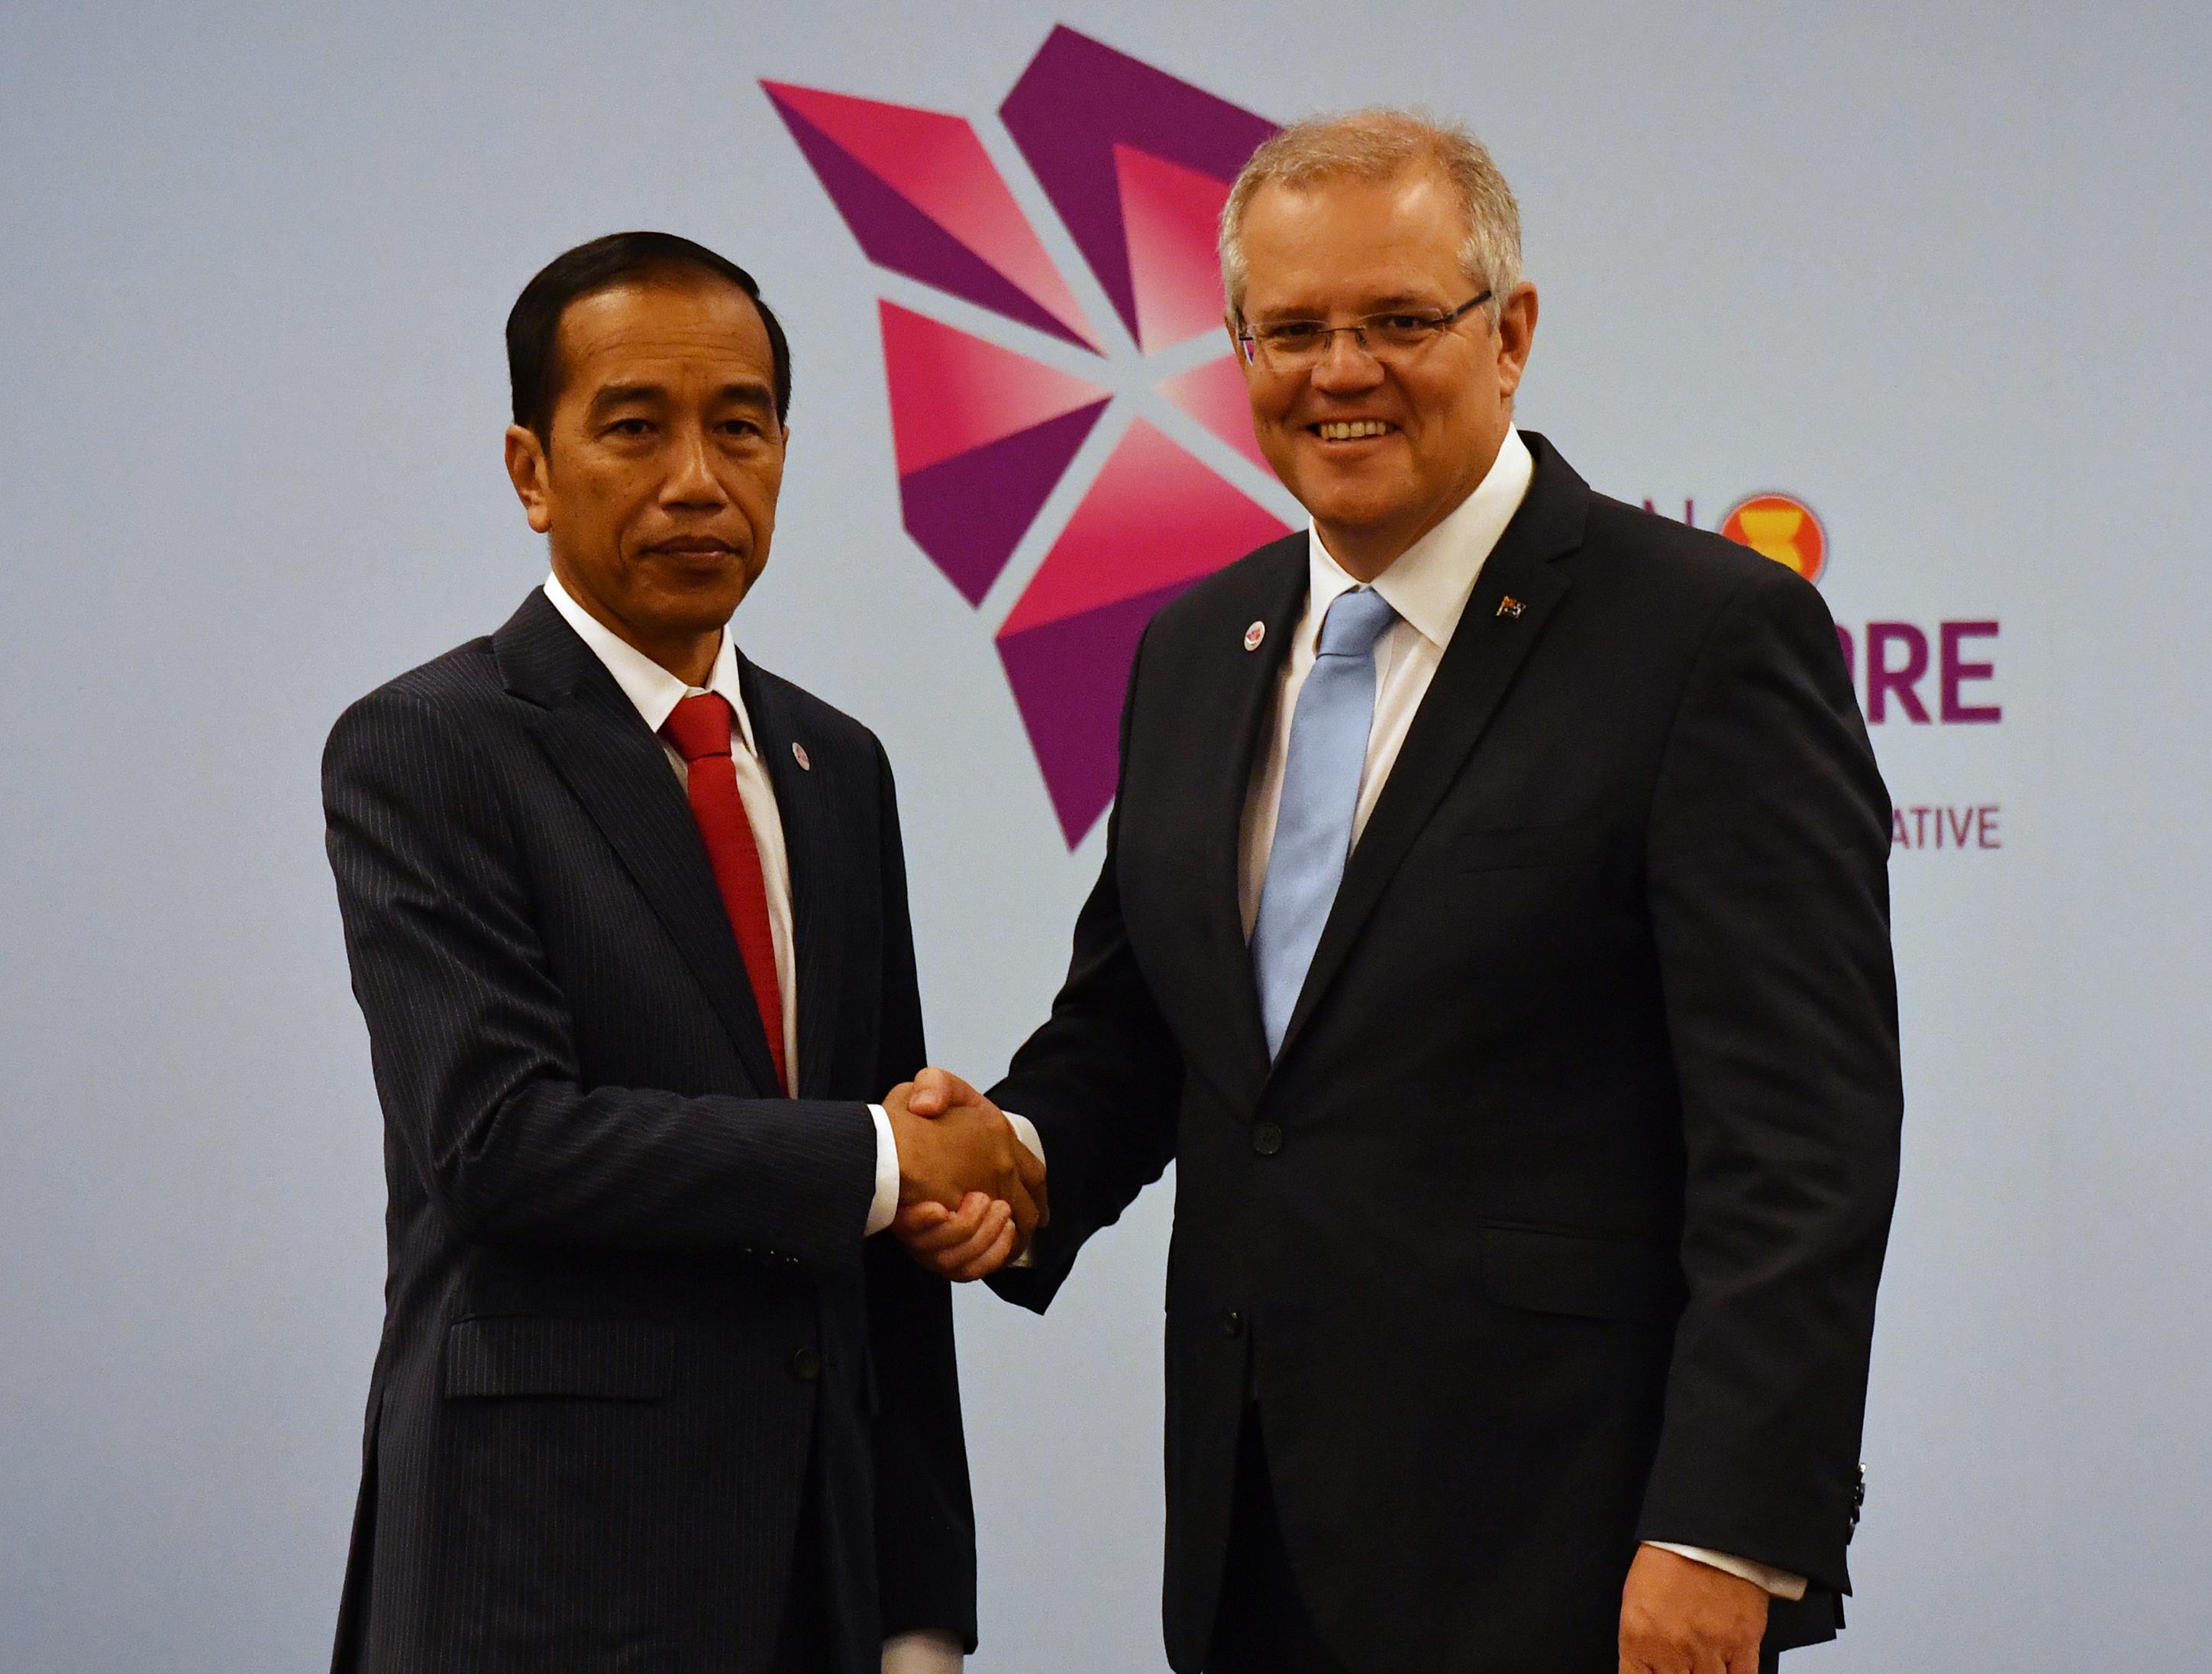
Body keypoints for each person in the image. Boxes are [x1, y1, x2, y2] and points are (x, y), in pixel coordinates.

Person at [896, 113, 1900, 1674]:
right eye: (1291, 330)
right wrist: (1014, 1158)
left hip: (1579, 1557)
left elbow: (1803, 1142)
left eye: (1396, 322)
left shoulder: (1707, 638)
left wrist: (1724, 1528)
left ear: (1511, 337)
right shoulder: (1193, 647)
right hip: (1256, 1548)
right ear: (1237, 352)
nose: (1339, 371)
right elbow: (1149, 1032)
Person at [321, 232, 1043, 1674]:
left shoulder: (839, 767)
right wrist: (889, 1164)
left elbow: (888, 1197)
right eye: (634, 427)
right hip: (537, 1584)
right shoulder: (428, 745)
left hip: (818, 1588)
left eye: (740, 426)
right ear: (531, 468)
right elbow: (502, 1140)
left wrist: (921, 1611)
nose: (697, 479)